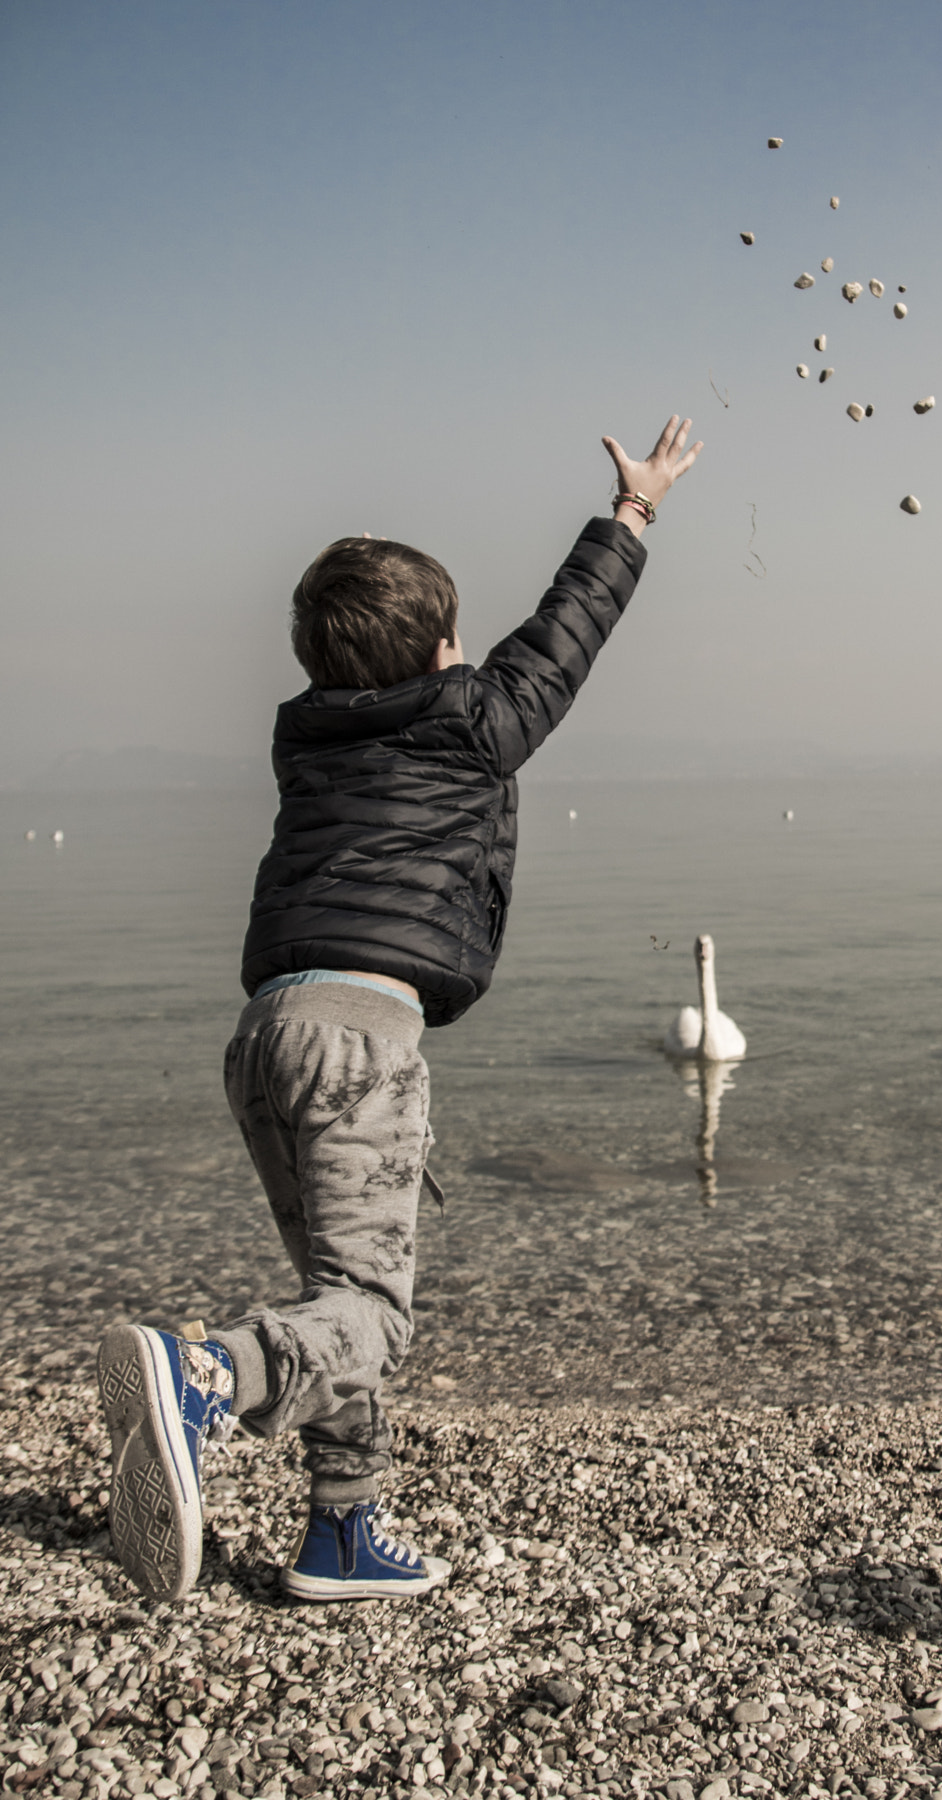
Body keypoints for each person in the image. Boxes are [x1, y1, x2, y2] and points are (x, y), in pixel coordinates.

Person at [97, 416, 701, 1605]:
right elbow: (562, 642)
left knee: (337, 1291)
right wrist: (631, 515)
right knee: (371, 1313)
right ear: (442, 655)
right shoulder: (469, 723)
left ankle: (341, 1531)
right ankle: (205, 1373)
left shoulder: (306, 736)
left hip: (264, 1035)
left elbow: (426, 659)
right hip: (359, 1042)